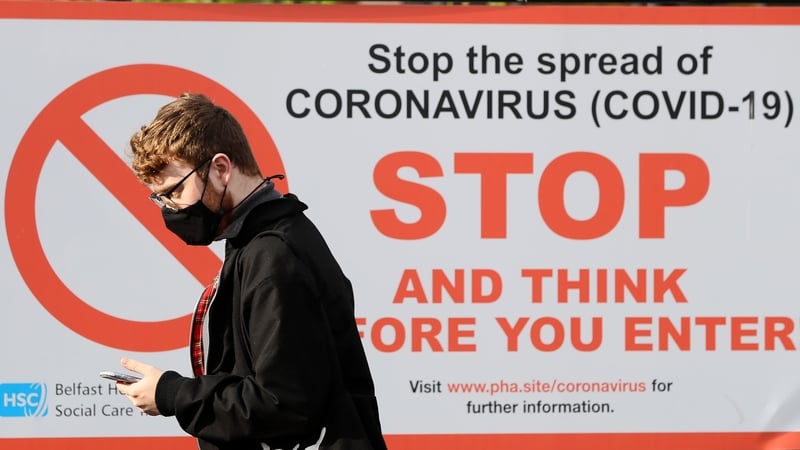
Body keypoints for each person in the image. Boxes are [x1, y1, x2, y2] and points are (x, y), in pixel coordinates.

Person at [117, 92, 388, 450]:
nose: (170, 209)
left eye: (175, 191)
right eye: (160, 199)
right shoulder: (258, 244)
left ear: (220, 169)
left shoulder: (273, 255)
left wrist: (172, 394)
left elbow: (284, 406)